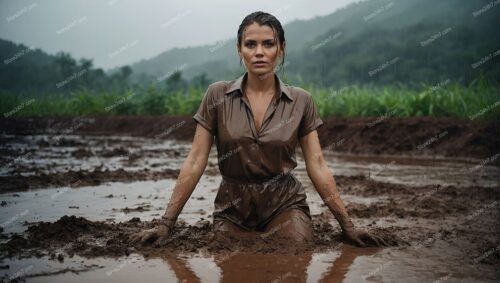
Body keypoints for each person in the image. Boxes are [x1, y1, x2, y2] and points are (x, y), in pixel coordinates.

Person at [129, 11, 386, 248]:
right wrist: (166, 225)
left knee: (295, 251)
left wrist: (348, 226)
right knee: (226, 256)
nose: (259, 52)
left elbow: (317, 164)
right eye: (250, 44)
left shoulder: (301, 101)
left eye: (268, 44)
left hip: (284, 204)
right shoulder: (217, 95)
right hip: (232, 208)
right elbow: (195, 160)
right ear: (239, 50)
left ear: (281, 49)